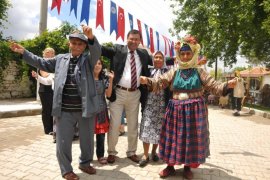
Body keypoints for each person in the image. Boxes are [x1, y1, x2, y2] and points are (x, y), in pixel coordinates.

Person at [10, 25, 101, 180]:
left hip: (85, 108)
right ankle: (66, 170)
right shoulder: (60, 59)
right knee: (63, 141)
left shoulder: (89, 60)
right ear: (69, 44)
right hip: (64, 109)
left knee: (87, 140)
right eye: (74, 43)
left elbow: (96, 51)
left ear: (85, 46)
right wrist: (24, 52)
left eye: (80, 44)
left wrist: (91, 38)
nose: (77, 46)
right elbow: (41, 62)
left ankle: (85, 163)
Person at [140, 35, 236, 179]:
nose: (185, 56)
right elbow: (160, 82)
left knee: (190, 139)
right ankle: (170, 167)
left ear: (193, 54)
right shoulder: (175, 71)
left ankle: (187, 168)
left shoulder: (200, 72)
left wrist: (227, 85)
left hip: (194, 112)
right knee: (173, 138)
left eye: (188, 53)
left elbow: (214, 86)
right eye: (182, 53)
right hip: (175, 110)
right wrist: (147, 80)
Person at [101, 29, 153, 164]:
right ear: (127, 38)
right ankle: (111, 152)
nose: (134, 41)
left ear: (140, 41)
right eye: (132, 38)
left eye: (137, 39)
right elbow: (102, 49)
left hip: (135, 94)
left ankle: (131, 152)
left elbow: (158, 60)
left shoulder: (143, 53)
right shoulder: (117, 49)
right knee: (115, 124)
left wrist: (176, 59)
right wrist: (89, 38)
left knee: (133, 124)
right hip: (118, 93)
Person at [138, 51, 171, 167]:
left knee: (158, 130)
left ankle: (153, 152)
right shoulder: (148, 71)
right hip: (149, 104)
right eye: (155, 57)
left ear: (163, 60)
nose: (157, 59)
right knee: (146, 128)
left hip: (162, 105)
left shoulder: (168, 72)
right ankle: (145, 155)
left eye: (160, 58)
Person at [93, 59, 114, 165]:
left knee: (101, 135)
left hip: (101, 109)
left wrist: (110, 80)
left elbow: (109, 95)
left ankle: (100, 155)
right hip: (89, 110)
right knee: (87, 135)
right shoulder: (86, 78)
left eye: (100, 63)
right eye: (95, 63)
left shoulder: (103, 78)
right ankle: (86, 156)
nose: (97, 65)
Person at [31, 47, 55, 135]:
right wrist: (54, 73)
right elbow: (45, 75)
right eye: (48, 53)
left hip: (52, 89)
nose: (50, 54)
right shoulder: (42, 64)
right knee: (47, 110)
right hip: (44, 90)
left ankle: (53, 128)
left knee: (53, 109)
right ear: (44, 54)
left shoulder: (52, 65)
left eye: (52, 53)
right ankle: (47, 129)